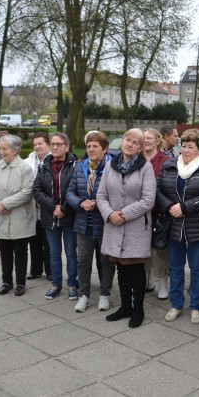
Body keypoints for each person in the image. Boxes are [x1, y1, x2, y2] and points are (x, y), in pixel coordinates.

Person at [157, 128, 199, 324]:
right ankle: (176, 304)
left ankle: (196, 306)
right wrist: (170, 207)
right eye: (183, 146)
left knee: (198, 268)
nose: (185, 150)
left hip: (198, 226)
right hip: (174, 224)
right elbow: (158, 190)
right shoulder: (169, 166)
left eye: (190, 147)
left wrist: (185, 207)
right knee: (175, 268)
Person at [97, 128, 156, 328]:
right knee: (121, 268)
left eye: (135, 142)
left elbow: (148, 200)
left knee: (136, 270)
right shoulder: (109, 166)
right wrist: (110, 214)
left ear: (140, 148)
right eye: (127, 140)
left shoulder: (145, 168)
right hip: (114, 225)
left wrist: (123, 214)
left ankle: (138, 310)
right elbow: (101, 196)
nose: (129, 144)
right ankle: (125, 306)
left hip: (136, 227)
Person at [66, 131, 116, 313]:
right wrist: (81, 202)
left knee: (106, 261)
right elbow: (70, 192)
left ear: (104, 149)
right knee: (83, 261)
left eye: (95, 146)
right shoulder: (80, 167)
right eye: (88, 146)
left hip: (104, 223)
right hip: (83, 223)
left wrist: (98, 202)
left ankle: (105, 294)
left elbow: (117, 194)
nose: (91, 149)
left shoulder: (113, 167)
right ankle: (84, 295)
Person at [0, 134, 36, 297]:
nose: (2, 152)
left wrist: (5, 204)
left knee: (20, 252)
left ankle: (20, 283)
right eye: (0, 148)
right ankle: (6, 281)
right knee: (4, 251)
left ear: (15, 150)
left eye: (4, 148)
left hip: (19, 217)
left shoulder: (25, 168)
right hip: (0, 217)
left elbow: (27, 192)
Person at [33, 132, 78, 300]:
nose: (55, 147)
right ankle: (56, 284)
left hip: (69, 216)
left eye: (59, 144)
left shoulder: (75, 165)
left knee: (71, 252)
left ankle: (72, 284)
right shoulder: (44, 165)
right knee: (53, 253)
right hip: (50, 216)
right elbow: (36, 190)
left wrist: (64, 208)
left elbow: (77, 188)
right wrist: (53, 207)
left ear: (67, 147)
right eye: (52, 144)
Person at [142, 128, 170, 298]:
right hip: (141, 213)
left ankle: (163, 283)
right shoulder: (137, 159)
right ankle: (147, 278)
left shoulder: (165, 160)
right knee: (143, 248)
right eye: (143, 137)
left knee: (160, 249)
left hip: (159, 211)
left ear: (157, 140)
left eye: (149, 138)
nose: (146, 140)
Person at [24, 132, 52, 281]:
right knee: (33, 241)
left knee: (49, 242)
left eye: (40, 143)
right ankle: (35, 270)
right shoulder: (27, 162)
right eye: (35, 144)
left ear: (48, 144)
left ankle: (50, 271)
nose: (37, 146)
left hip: (47, 207)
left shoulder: (53, 161)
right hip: (32, 208)